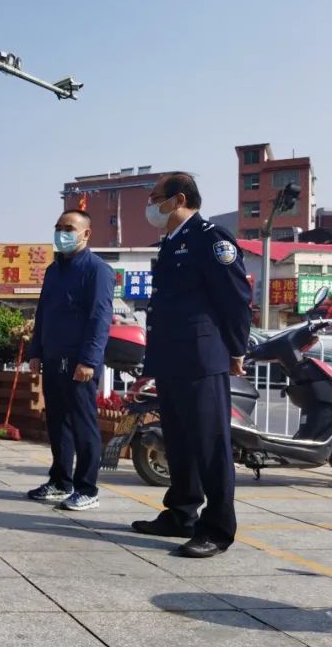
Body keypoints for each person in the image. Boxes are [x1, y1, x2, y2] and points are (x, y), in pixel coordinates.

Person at [132, 172, 251, 558]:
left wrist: (235, 350)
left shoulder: (211, 239)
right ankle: (181, 513)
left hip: (202, 357)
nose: (150, 206)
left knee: (210, 443)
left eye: (155, 197)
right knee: (180, 439)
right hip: (172, 356)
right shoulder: (172, 242)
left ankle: (216, 528)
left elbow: (235, 299)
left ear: (178, 198)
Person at [26, 209, 115, 511]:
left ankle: (87, 488)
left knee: (83, 424)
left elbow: (99, 318)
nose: (62, 233)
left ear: (86, 234)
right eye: (58, 227)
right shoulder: (54, 270)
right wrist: (35, 351)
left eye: (69, 228)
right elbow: (43, 314)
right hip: (53, 359)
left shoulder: (97, 270)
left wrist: (89, 360)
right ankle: (60, 481)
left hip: (79, 364)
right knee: (57, 423)